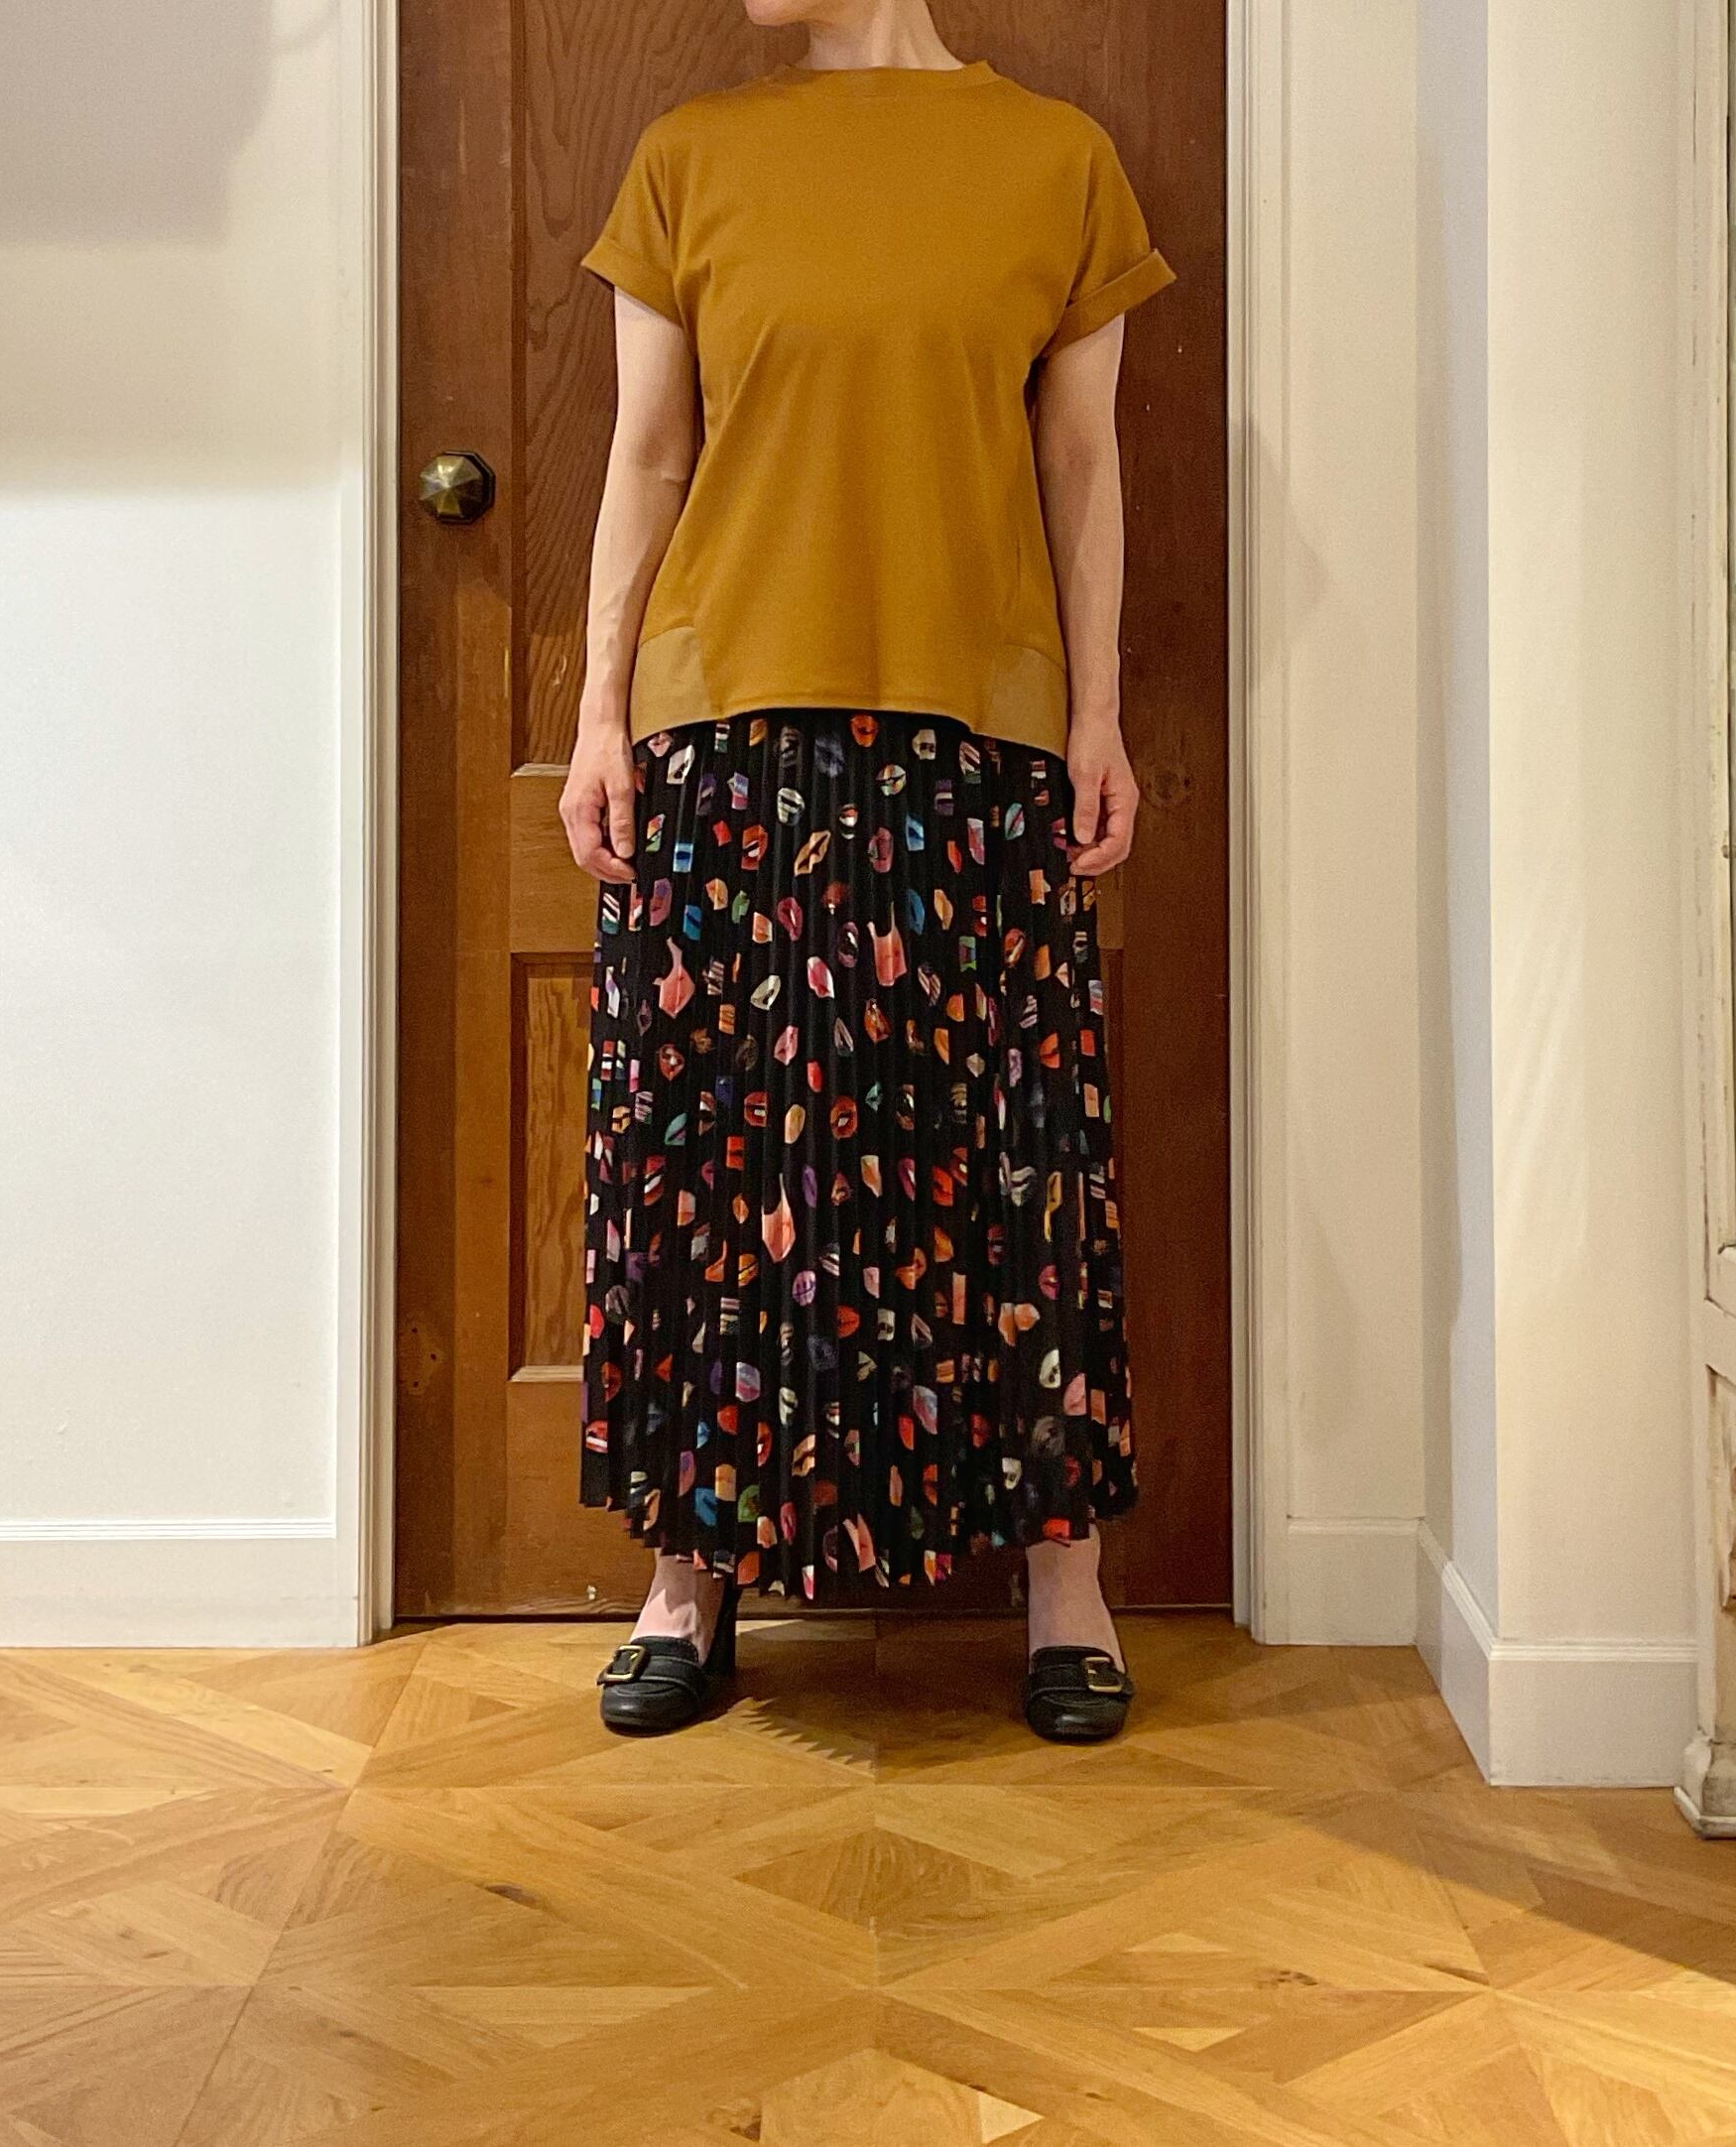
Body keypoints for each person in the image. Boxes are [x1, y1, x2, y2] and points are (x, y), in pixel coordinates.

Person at [560, 0, 1172, 1743]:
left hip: (977, 736)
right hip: (723, 731)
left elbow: (1080, 460)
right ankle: (687, 1577)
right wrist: (597, 714)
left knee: (1013, 1160)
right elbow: (647, 454)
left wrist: (1097, 713)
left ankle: (1064, 1582)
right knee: (709, 1163)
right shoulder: (690, 158)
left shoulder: (1055, 161)